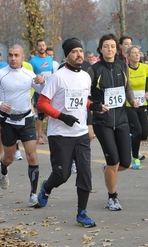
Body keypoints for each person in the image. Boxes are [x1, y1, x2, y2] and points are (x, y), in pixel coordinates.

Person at [36, 37, 106, 228]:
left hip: (81, 133)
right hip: (60, 134)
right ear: (66, 55)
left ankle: (81, 213)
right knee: (62, 175)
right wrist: (61, 116)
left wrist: (95, 106)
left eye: (80, 51)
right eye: (74, 52)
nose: (79, 54)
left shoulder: (85, 76)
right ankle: (47, 187)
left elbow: (83, 100)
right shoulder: (58, 76)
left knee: (85, 172)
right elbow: (41, 103)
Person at [0, 44, 45, 207]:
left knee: (31, 155)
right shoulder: (0, 75)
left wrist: (42, 81)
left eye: (17, 55)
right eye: (10, 55)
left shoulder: (29, 73)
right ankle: (3, 170)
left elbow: (42, 89)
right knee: (9, 157)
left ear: (23, 58)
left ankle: (33, 194)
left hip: (26, 119)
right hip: (8, 121)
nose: (13, 58)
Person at [88, 33, 138, 211]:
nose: (109, 49)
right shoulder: (94, 70)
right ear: (100, 49)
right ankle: (112, 197)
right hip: (103, 122)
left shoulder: (122, 66)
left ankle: (109, 168)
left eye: (112, 46)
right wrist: (94, 109)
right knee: (114, 161)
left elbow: (127, 87)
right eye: (106, 46)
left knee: (125, 162)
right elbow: (86, 94)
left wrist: (132, 100)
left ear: (117, 49)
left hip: (122, 120)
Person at [126, 45, 148, 169]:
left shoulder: (145, 67)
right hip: (129, 105)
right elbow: (124, 87)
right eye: (134, 53)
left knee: (144, 134)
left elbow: (146, 84)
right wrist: (131, 100)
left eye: (138, 52)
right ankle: (135, 158)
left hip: (142, 103)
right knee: (137, 132)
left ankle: (131, 138)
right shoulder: (125, 69)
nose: (137, 55)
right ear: (128, 56)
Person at [29, 39, 54, 145]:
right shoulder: (33, 61)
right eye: (40, 46)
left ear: (46, 46)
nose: (42, 47)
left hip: (50, 89)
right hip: (39, 91)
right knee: (40, 114)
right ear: (37, 47)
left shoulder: (50, 59)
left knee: (50, 112)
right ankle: (39, 136)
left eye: (43, 45)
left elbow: (52, 72)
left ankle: (48, 131)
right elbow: (31, 76)